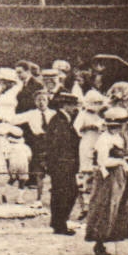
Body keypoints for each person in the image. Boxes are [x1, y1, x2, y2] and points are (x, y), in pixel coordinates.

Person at [83, 107, 128, 255]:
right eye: (115, 126)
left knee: (127, 208)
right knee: (107, 209)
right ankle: (99, 243)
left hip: (121, 177)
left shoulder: (119, 138)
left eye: (120, 126)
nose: (118, 128)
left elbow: (122, 156)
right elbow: (103, 161)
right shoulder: (104, 139)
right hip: (108, 179)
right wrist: (121, 161)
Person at [33, 90, 81, 235]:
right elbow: (57, 145)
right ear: (65, 105)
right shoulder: (59, 121)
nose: (75, 108)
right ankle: (60, 224)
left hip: (63, 164)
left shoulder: (62, 119)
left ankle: (59, 223)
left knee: (65, 192)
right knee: (65, 193)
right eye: (72, 105)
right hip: (62, 164)